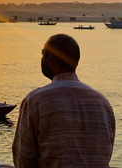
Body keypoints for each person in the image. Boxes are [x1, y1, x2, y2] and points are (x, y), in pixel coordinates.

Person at [12, 34, 115, 168]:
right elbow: (107, 154)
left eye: (43, 54)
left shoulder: (35, 101)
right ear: (76, 61)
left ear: (49, 58)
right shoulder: (103, 103)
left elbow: (23, 161)